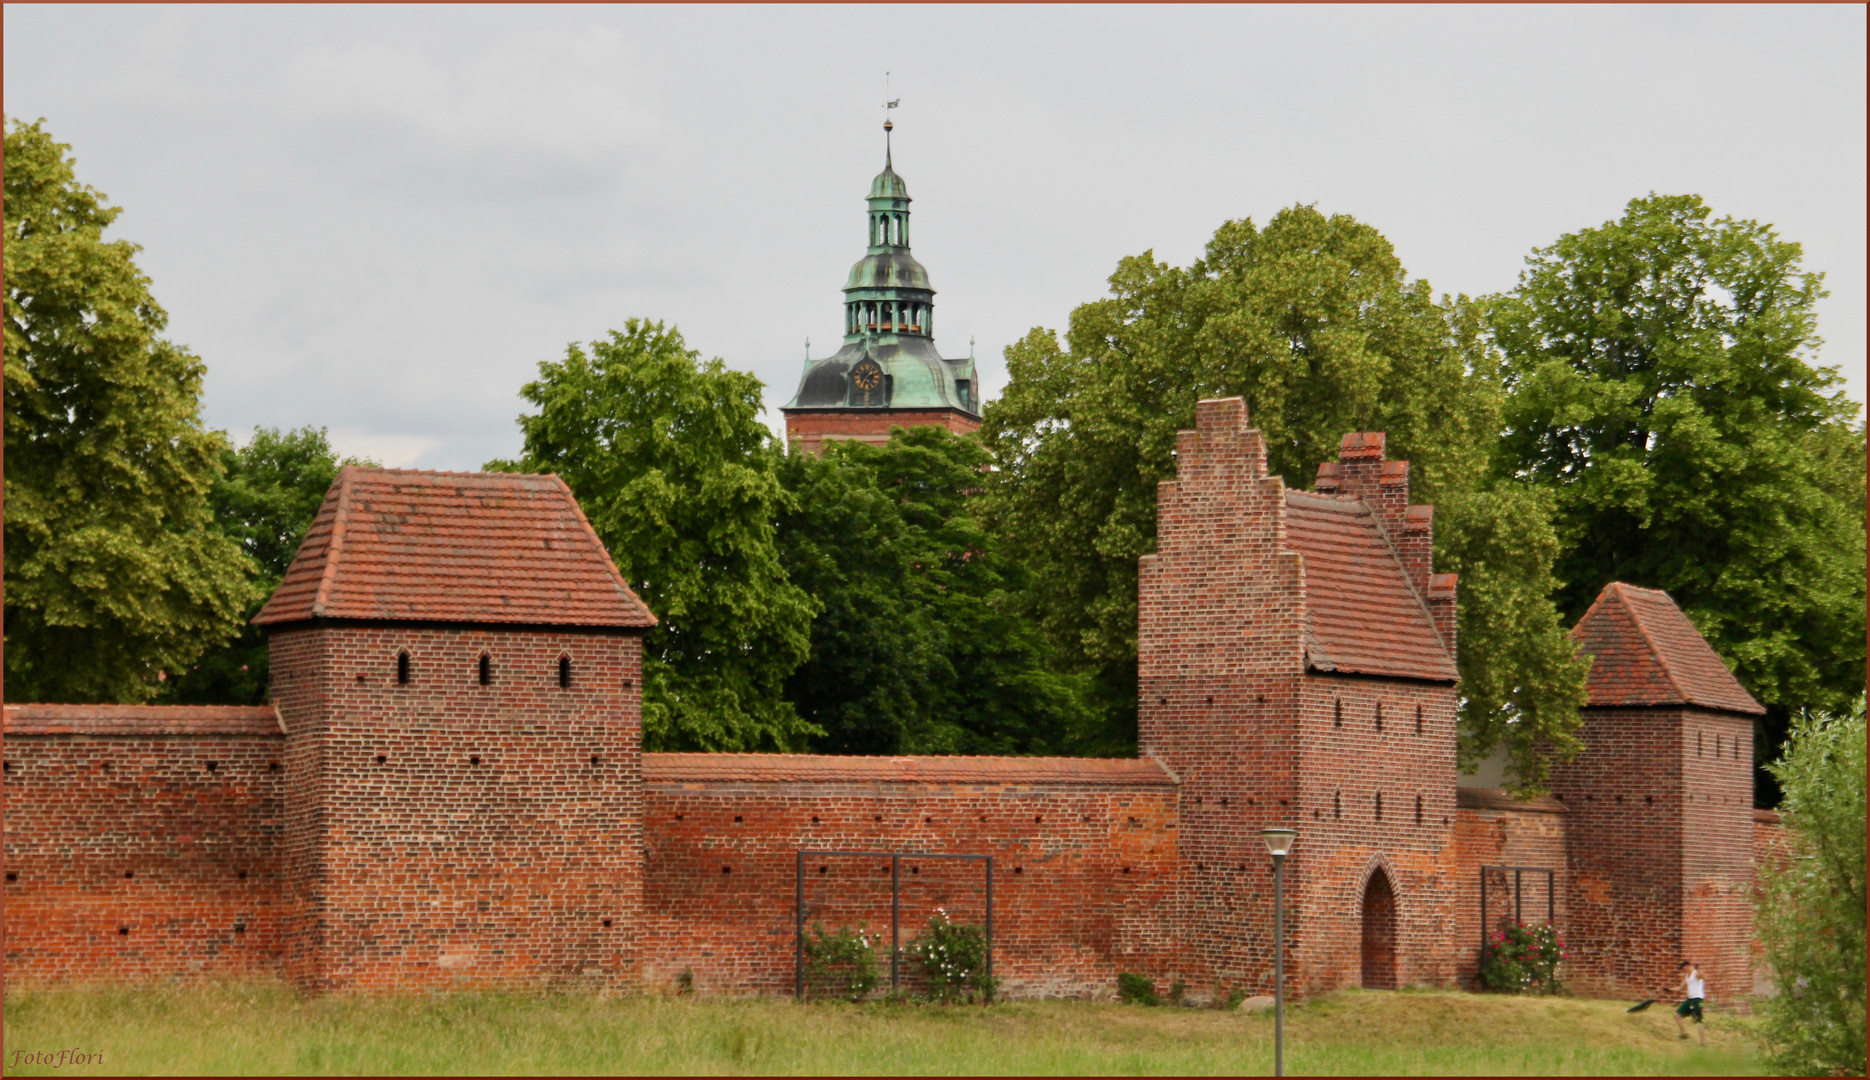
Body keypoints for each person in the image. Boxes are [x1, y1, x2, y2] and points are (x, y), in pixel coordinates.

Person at [1672, 960, 1706, 1044]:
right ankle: (1683, 1034)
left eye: (1684, 968)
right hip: (1690, 1000)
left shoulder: (1695, 974)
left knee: (1698, 1021)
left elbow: (1703, 976)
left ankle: (1702, 1043)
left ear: (1687, 966)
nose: (1683, 970)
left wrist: (1698, 969)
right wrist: (1668, 989)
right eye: (1682, 969)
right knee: (1677, 1014)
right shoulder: (1687, 977)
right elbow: (1680, 988)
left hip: (1697, 1000)